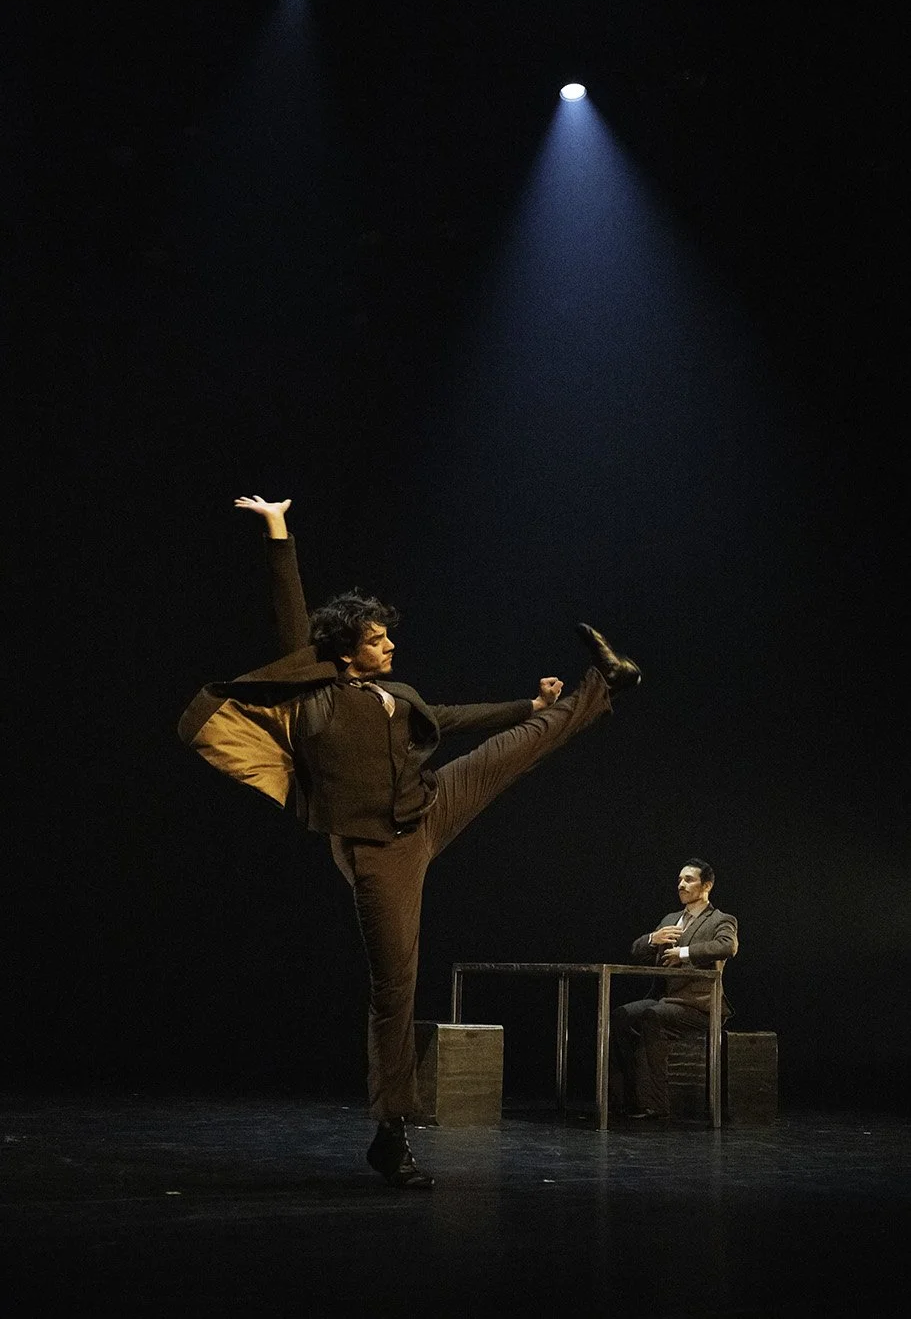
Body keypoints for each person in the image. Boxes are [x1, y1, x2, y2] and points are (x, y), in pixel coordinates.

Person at [179, 495, 641, 1187]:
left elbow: (449, 719)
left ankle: (607, 682)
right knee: (395, 987)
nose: (389, 645)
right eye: (375, 640)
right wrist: (278, 529)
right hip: (378, 850)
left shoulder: (395, 693)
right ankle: (390, 1134)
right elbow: (290, 614)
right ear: (343, 650)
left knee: (517, 746)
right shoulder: (315, 697)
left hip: (429, 806)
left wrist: (530, 705)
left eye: (386, 637)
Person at [610, 860, 738, 1121]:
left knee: (653, 1017)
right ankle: (625, 1100)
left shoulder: (721, 920)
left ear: (707, 885)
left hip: (698, 1004)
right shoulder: (670, 920)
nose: (681, 884)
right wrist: (651, 939)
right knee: (621, 1015)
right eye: (679, 879)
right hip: (664, 999)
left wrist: (684, 953)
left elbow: (727, 946)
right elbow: (636, 951)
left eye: (689, 880)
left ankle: (655, 1104)